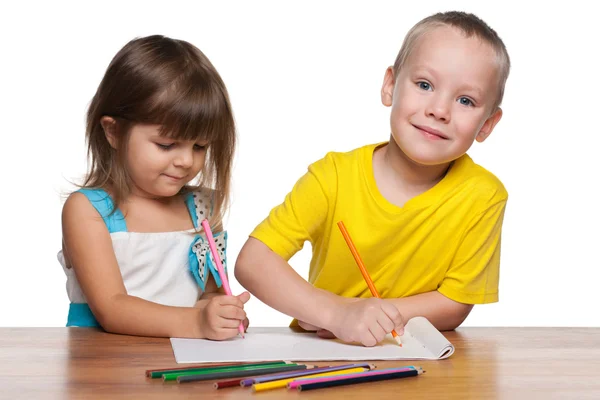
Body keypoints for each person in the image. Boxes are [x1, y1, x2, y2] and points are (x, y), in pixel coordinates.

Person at [235, 11, 510, 347]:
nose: (439, 110)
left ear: (487, 124)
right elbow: (253, 262)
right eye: (424, 85)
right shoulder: (333, 176)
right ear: (390, 86)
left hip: (416, 362)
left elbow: (455, 304)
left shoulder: (484, 195)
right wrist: (335, 314)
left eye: (465, 100)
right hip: (323, 354)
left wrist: (361, 315)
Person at [59, 35, 249, 339]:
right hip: (102, 370)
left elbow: (210, 294)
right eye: (167, 144)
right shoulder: (87, 210)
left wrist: (222, 313)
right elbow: (112, 308)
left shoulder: (201, 208)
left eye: (200, 146)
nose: (186, 160)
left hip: (182, 367)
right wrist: (198, 323)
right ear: (114, 131)